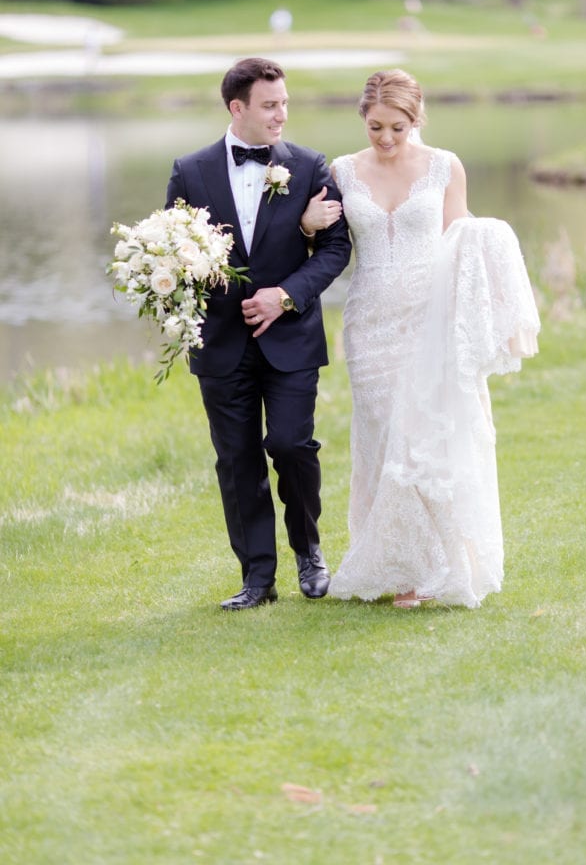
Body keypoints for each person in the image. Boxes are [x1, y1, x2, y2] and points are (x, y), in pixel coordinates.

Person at [301, 69, 540, 608]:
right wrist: (308, 225)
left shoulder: (443, 167)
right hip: (369, 323)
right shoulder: (341, 171)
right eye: (376, 127)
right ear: (362, 118)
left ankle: (430, 569)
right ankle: (398, 564)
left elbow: (459, 234)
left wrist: (493, 247)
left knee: (424, 437)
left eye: (397, 128)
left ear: (417, 119)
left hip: (428, 319)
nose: (385, 139)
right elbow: (327, 248)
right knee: (384, 438)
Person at [166, 57, 351, 610]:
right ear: (237, 107)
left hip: (291, 337)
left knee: (292, 445)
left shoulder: (311, 165)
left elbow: (337, 247)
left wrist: (286, 294)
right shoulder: (190, 170)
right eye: (270, 105)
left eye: (285, 104)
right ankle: (257, 579)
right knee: (237, 459)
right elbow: (174, 249)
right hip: (221, 344)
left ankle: (309, 552)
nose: (281, 115)